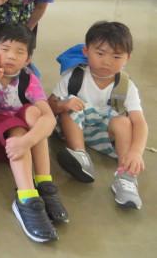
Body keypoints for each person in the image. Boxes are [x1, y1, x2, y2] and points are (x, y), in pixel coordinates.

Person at [0, 23, 67, 243]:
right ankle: (26, 198)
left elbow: (49, 118)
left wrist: (26, 142)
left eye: (19, 52)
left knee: (34, 113)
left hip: (19, 147)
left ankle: (44, 184)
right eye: (5, 49)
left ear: (28, 59)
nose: (11, 56)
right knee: (19, 128)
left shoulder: (29, 79)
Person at [48, 21, 148, 210]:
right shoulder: (75, 77)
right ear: (86, 51)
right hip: (74, 130)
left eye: (116, 56)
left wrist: (136, 152)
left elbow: (140, 123)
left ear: (127, 58)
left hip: (105, 135)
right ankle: (80, 157)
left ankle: (126, 175)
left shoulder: (126, 85)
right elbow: (49, 105)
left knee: (124, 122)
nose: (107, 62)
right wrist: (63, 104)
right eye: (100, 54)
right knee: (70, 107)